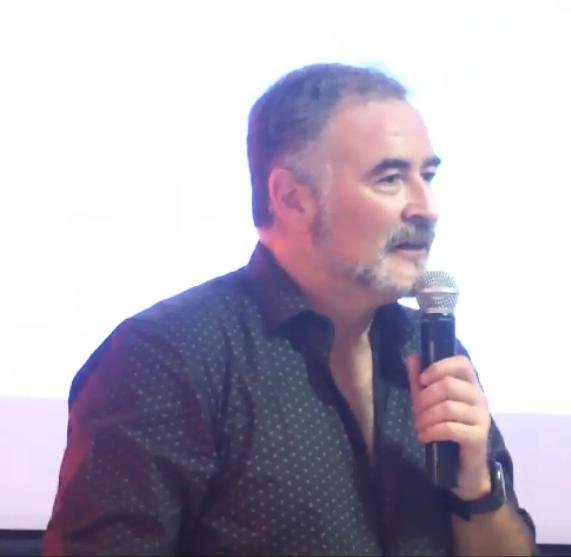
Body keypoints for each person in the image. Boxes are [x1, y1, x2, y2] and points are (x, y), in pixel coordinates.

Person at [44, 63, 536, 556]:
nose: (426, 207)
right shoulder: (170, 357)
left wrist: (477, 490)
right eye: (390, 179)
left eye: (427, 176)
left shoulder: (428, 347)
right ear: (292, 199)